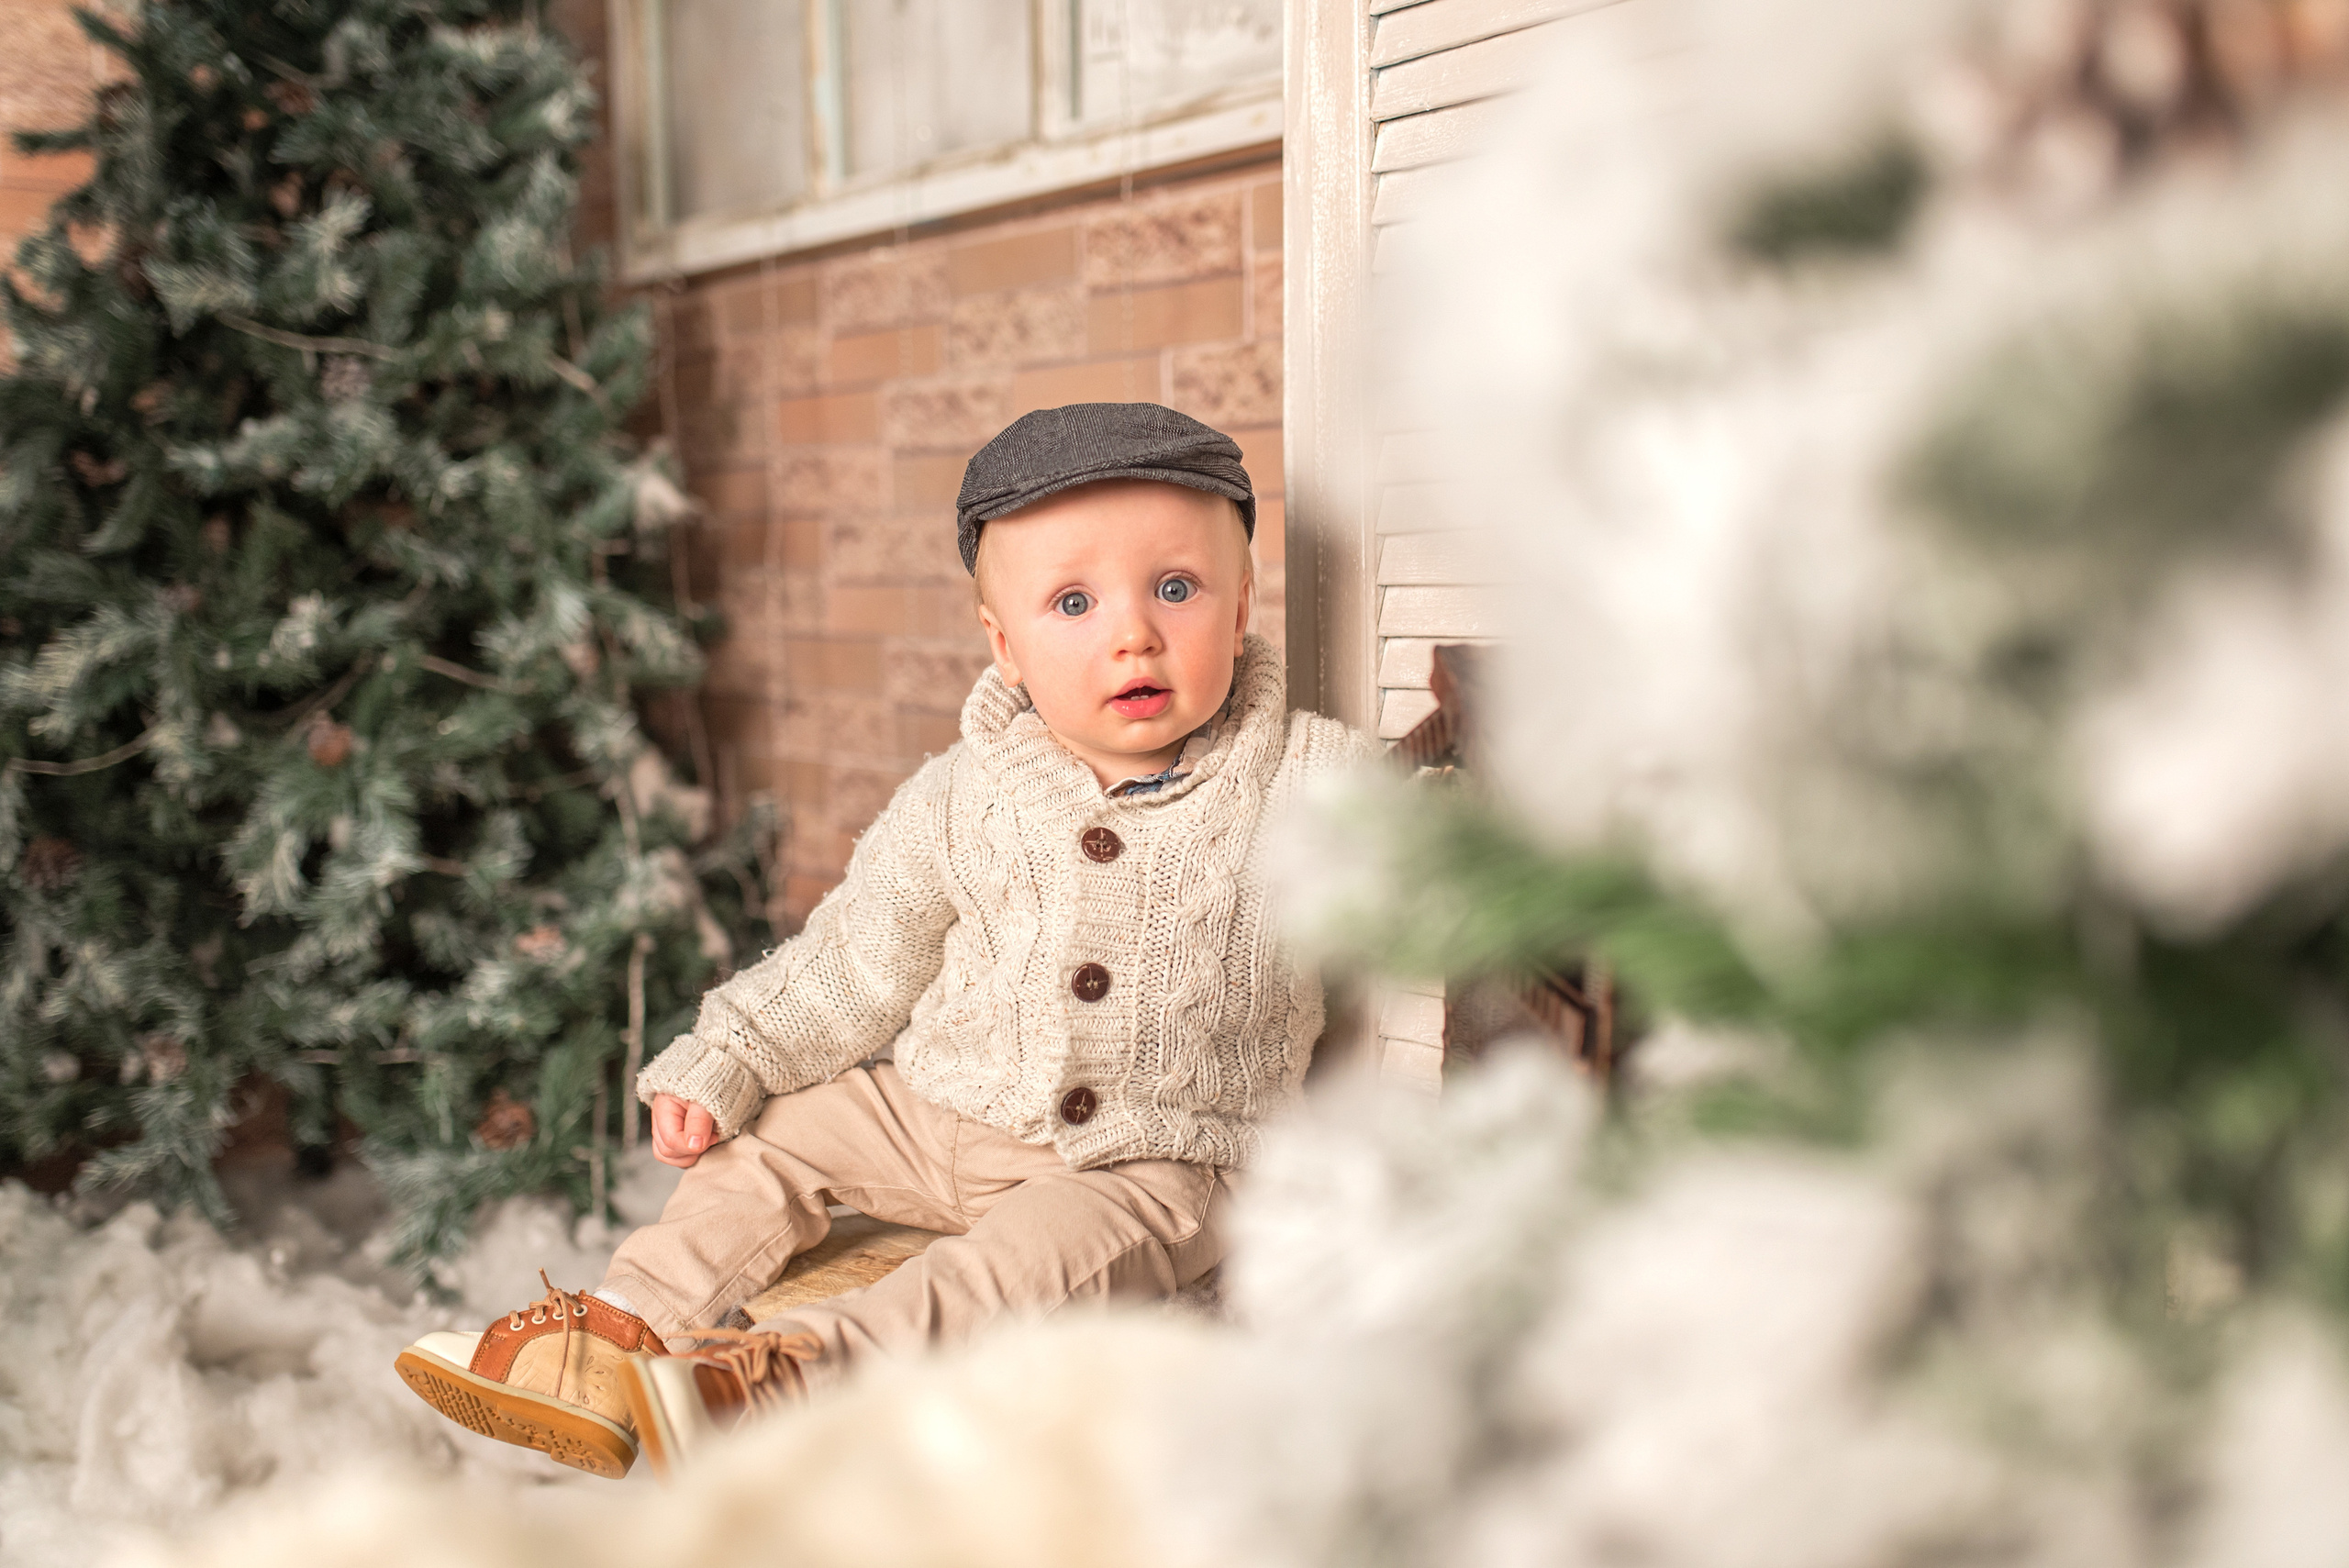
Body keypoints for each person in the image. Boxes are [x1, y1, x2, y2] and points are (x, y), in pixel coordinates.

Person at [393, 403, 1375, 1477]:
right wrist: (737, 1053)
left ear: (1241, 610)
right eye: (1073, 601)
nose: (1132, 633)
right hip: (941, 1115)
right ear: (1006, 646)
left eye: (1175, 589)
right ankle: (620, 1328)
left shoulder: (1307, 777)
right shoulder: (960, 795)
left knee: (1023, 1268)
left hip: (1151, 1159)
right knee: (768, 1137)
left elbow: (1439, 845)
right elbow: (857, 956)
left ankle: (786, 1378)